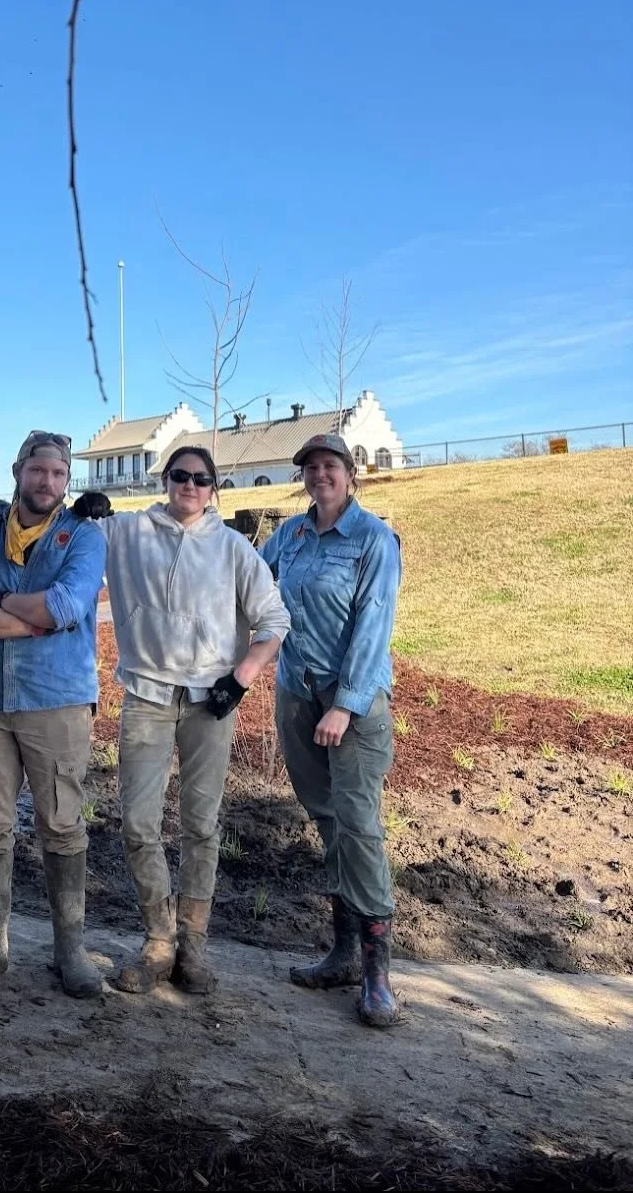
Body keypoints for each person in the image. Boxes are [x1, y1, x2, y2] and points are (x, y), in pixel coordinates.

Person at [65, 447, 291, 995]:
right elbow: (61, 530)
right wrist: (80, 509)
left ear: (215, 487)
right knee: (138, 823)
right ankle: (158, 939)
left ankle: (193, 945)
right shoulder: (128, 533)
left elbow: (273, 620)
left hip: (210, 699)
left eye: (201, 479)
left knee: (201, 823)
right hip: (146, 695)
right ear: (165, 480)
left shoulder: (234, 549)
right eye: (180, 476)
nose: (190, 485)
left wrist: (240, 678)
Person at [0, 430, 107, 999]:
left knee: (62, 822)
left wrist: (4, 604)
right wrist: (31, 616)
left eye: (59, 474)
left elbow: (68, 604)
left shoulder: (83, 538)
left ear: (68, 480)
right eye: (38, 471)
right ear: (18, 471)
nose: (47, 482)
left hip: (57, 697)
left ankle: (70, 950)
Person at [260, 432, 403, 1028]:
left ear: (350, 474)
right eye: (311, 467)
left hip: (354, 705)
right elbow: (249, 581)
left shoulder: (373, 539)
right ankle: (342, 951)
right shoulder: (289, 536)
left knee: (359, 825)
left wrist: (344, 704)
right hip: (296, 694)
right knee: (325, 818)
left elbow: (374, 625)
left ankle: (376, 971)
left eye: (330, 466)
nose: (320, 474)